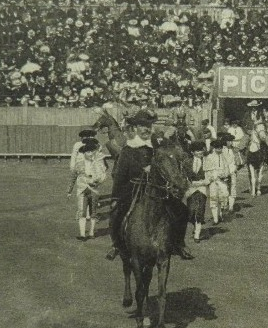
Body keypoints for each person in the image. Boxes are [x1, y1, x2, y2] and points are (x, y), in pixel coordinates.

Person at [106, 110, 194, 261]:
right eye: (142, 125)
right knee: (116, 212)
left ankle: (179, 243)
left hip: (158, 189)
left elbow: (173, 155)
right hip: (133, 189)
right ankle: (117, 244)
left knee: (182, 210)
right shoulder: (128, 149)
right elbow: (119, 176)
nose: (146, 128)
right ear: (135, 127)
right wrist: (116, 196)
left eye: (149, 125)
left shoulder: (158, 144)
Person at [67, 140, 108, 240]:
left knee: (93, 212)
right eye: (88, 152)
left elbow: (103, 176)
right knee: (82, 212)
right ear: (84, 153)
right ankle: (82, 234)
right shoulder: (79, 164)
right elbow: (73, 177)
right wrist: (69, 191)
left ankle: (91, 233)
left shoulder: (97, 163)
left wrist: (97, 182)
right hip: (82, 190)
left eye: (91, 152)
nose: (90, 154)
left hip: (94, 190)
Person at [184, 141, 210, 242]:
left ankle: (197, 234)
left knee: (200, 209)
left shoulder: (207, 161)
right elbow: (184, 175)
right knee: (190, 211)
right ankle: (195, 225)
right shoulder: (187, 162)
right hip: (191, 188)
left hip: (202, 187)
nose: (200, 152)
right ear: (192, 152)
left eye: (201, 150)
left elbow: (210, 175)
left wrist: (204, 182)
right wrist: (188, 183)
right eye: (197, 151)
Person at [204, 137, 231, 226]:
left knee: (224, 196)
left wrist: (225, 174)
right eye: (217, 148)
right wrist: (212, 177)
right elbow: (207, 170)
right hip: (213, 181)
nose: (219, 149)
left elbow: (228, 168)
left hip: (223, 180)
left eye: (220, 147)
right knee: (213, 198)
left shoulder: (224, 156)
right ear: (214, 148)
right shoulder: (210, 157)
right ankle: (215, 219)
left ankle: (221, 213)